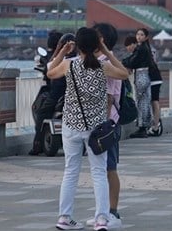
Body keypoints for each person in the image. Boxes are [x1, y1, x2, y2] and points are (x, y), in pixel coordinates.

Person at [47, 27, 129, 231]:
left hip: (71, 126)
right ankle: (101, 219)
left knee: (70, 171)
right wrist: (106, 51)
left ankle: (64, 218)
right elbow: (125, 73)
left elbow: (49, 71)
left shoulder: (69, 65)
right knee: (99, 172)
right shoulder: (103, 67)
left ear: (78, 46)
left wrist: (62, 52)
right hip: (96, 129)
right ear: (95, 46)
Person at [87, 23, 123, 229]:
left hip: (107, 123)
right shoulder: (107, 60)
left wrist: (101, 122)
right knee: (105, 168)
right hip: (108, 122)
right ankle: (105, 210)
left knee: (109, 168)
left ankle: (112, 211)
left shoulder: (105, 62)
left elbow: (108, 96)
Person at [29, 30, 63, 155]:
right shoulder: (70, 56)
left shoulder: (52, 57)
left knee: (42, 113)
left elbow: (48, 67)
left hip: (55, 92)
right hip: (68, 93)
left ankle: (37, 145)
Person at [122, 28, 154, 138]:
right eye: (137, 34)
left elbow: (133, 61)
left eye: (141, 35)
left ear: (146, 37)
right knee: (144, 101)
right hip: (146, 75)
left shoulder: (141, 49)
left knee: (141, 102)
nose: (139, 36)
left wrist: (123, 62)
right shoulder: (146, 48)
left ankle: (142, 128)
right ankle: (145, 126)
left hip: (141, 75)